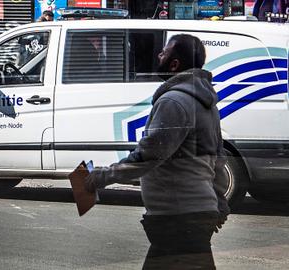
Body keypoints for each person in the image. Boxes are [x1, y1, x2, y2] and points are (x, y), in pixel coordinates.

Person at [85, 34, 230, 270]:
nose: (158, 56)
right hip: (193, 214)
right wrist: (219, 204)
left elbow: (149, 155)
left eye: (164, 52)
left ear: (174, 64)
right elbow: (217, 158)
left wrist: (100, 177)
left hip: (178, 217)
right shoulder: (205, 102)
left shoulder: (174, 102)